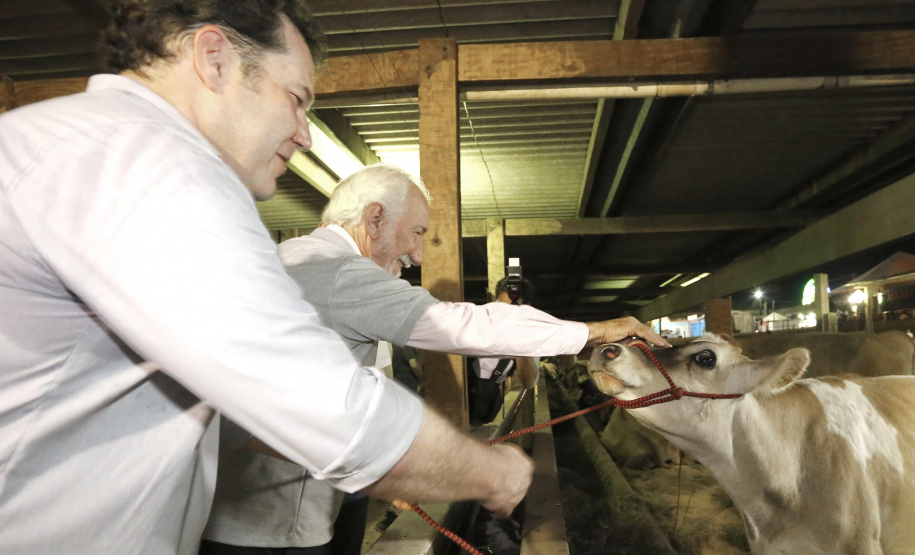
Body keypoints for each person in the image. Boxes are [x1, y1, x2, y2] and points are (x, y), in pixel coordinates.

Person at [0, 2, 537, 553]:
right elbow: (320, 401)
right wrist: (492, 472)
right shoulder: (143, 160)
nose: (303, 134)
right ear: (215, 59)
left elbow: (245, 405)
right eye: (296, 99)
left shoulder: (69, 140)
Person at [202, 164, 671, 554]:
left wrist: (389, 470)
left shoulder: (294, 263)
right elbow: (464, 326)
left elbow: (359, 388)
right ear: (375, 218)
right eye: (417, 233)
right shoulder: (334, 271)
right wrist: (592, 331)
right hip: (276, 519)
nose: (419, 254)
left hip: (297, 492)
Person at [467, 276, 540, 427]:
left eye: (512, 308)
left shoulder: (530, 337)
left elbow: (529, 382)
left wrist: (520, 342)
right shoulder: (477, 322)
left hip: (487, 401)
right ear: (494, 302)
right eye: (501, 306)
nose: (504, 314)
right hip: (457, 395)